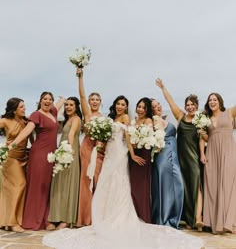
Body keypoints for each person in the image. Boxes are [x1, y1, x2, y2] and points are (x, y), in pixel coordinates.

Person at [42, 95, 204, 249]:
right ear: (115, 105)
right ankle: (104, 216)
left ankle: (119, 217)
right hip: (109, 153)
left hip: (120, 153)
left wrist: (132, 154)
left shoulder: (127, 118)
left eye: (123, 104)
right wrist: (100, 143)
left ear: (127, 108)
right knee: (106, 184)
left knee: (120, 183)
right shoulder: (111, 119)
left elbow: (127, 135)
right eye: (118, 104)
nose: (120, 106)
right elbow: (108, 135)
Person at [8, 92, 65, 231]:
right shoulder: (36, 115)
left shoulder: (52, 111)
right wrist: (13, 144)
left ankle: (46, 218)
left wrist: (62, 99)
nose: (48, 101)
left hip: (51, 155)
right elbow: (27, 130)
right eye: (45, 99)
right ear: (40, 101)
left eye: (50, 99)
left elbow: (57, 105)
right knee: (37, 186)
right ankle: (34, 220)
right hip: (39, 154)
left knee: (47, 186)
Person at [156, 78, 204, 231]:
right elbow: (170, 101)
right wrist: (163, 87)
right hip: (180, 157)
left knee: (196, 186)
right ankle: (187, 220)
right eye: (187, 104)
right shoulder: (180, 117)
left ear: (197, 106)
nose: (190, 107)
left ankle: (198, 219)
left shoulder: (201, 120)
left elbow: (207, 137)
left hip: (194, 157)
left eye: (192, 105)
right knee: (184, 188)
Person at [201, 93, 236, 234]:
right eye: (210, 100)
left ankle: (231, 222)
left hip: (228, 152)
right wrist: (202, 154)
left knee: (228, 184)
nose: (212, 102)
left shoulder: (230, 112)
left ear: (220, 101)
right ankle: (214, 222)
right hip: (212, 153)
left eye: (215, 99)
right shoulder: (205, 119)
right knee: (213, 185)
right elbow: (203, 139)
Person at [48, 97, 82, 229]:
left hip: (70, 153)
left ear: (76, 107)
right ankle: (55, 217)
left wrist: (70, 150)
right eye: (66, 105)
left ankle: (66, 219)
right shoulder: (66, 119)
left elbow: (72, 134)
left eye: (71, 105)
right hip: (62, 153)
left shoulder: (77, 119)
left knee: (68, 184)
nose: (68, 107)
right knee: (59, 184)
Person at [76, 68, 104, 227]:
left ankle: (96, 216)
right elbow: (81, 96)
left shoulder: (104, 118)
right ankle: (85, 218)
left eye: (97, 100)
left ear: (100, 102)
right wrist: (80, 77)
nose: (94, 101)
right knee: (87, 180)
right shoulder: (87, 114)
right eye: (92, 99)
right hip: (87, 149)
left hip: (99, 152)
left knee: (98, 181)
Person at [151, 98, 184, 228]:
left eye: (158, 103)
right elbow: (158, 137)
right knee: (168, 186)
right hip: (164, 157)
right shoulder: (155, 120)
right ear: (151, 109)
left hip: (173, 156)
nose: (158, 106)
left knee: (175, 186)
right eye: (154, 106)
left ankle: (169, 217)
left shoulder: (162, 119)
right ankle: (165, 218)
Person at [0, 98, 28, 233]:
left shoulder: (25, 122)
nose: (24, 109)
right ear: (14, 109)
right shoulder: (4, 121)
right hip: (10, 158)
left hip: (23, 157)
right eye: (21, 107)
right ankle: (12, 222)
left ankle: (6, 220)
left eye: (24, 107)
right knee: (20, 184)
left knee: (12, 189)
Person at [129, 97, 153, 223]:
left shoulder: (148, 120)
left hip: (143, 155)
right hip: (133, 156)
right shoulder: (134, 121)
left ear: (147, 109)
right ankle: (134, 216)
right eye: (139, 106)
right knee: (133, 187)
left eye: (144, 107)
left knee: (142, 187)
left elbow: (149, 137)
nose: (141, 109)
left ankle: (144, 217)